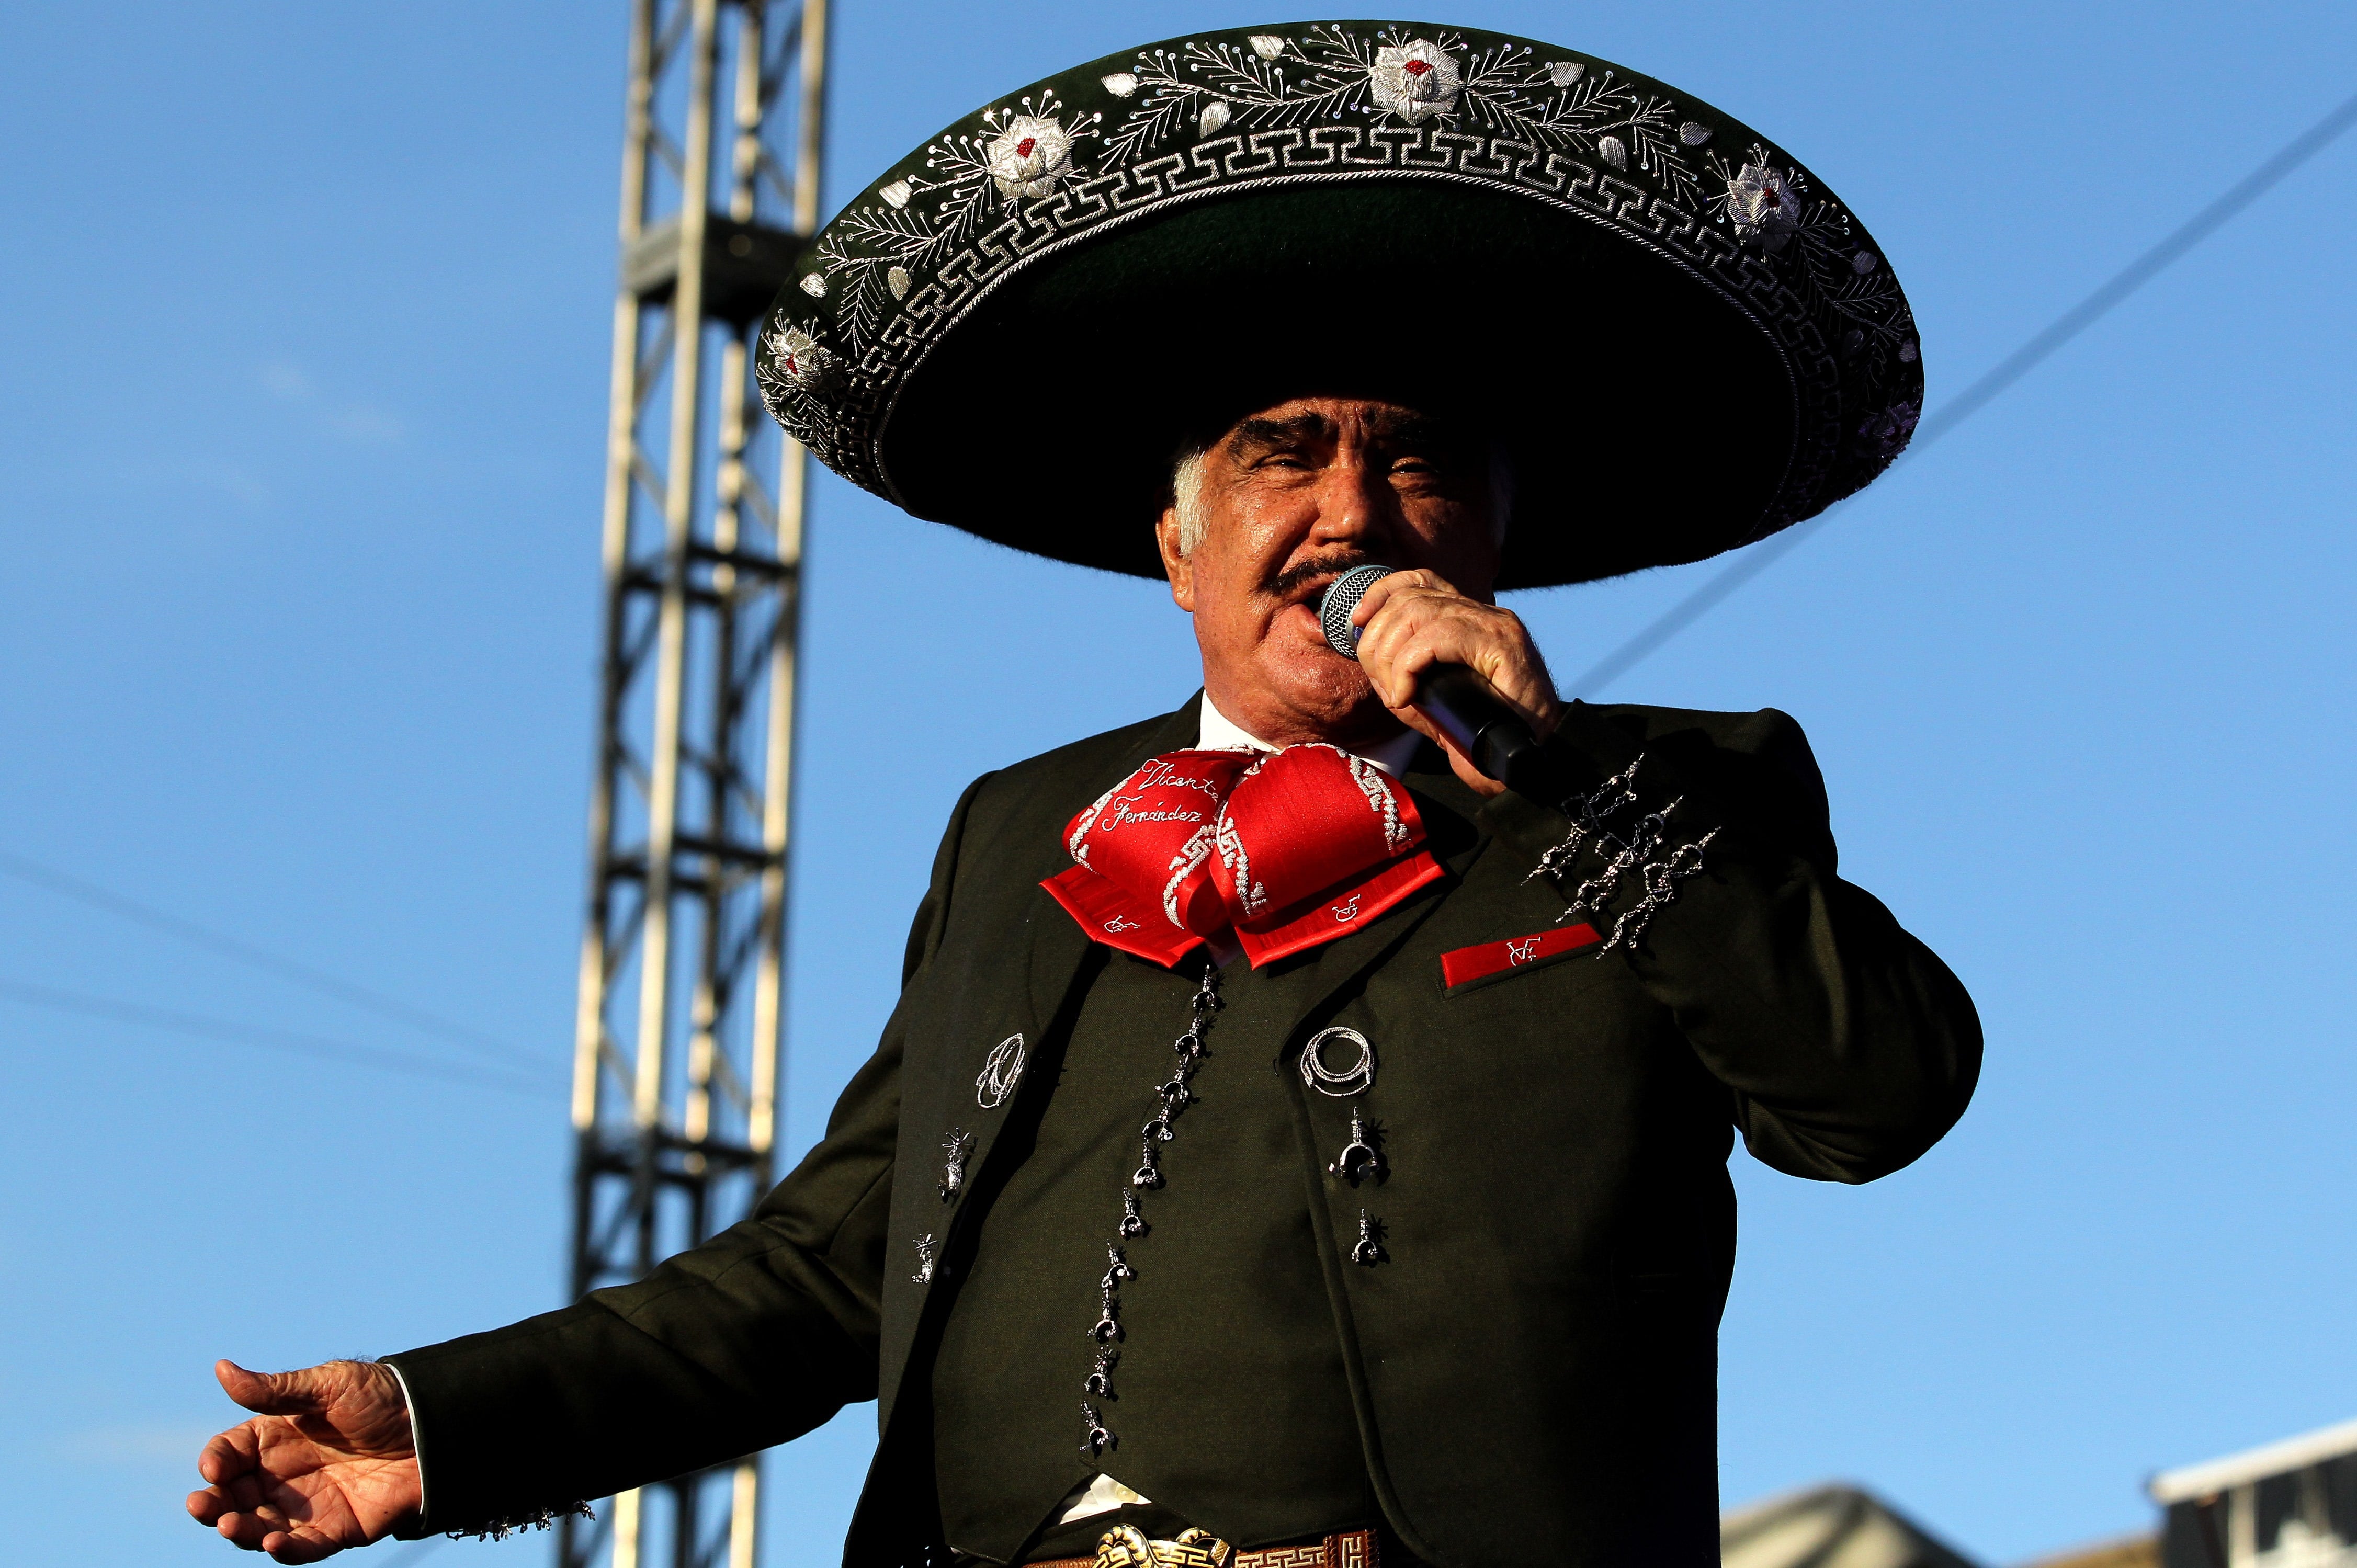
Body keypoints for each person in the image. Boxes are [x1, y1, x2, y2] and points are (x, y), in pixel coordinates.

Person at [190, 21, 1974, 1568]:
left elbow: (1875, 1096)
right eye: (1283, 455)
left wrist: (1557, 773)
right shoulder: (1018, 831)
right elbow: (829, 1269)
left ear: (1498, 532)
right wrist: (446, 1423)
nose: (1349, 512)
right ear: (1176, 545)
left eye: (1413, 460)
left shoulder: (1662, 790)